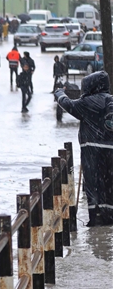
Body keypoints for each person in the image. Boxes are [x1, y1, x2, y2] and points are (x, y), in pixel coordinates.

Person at [54, 71, 113, 226]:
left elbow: (68, 104)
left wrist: (59, 93)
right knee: (108, 183)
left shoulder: (86, 103)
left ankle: (95, 218)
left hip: (91, 149)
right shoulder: (110, 102)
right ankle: (109, 217)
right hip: (110, 149)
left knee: (93, 183)